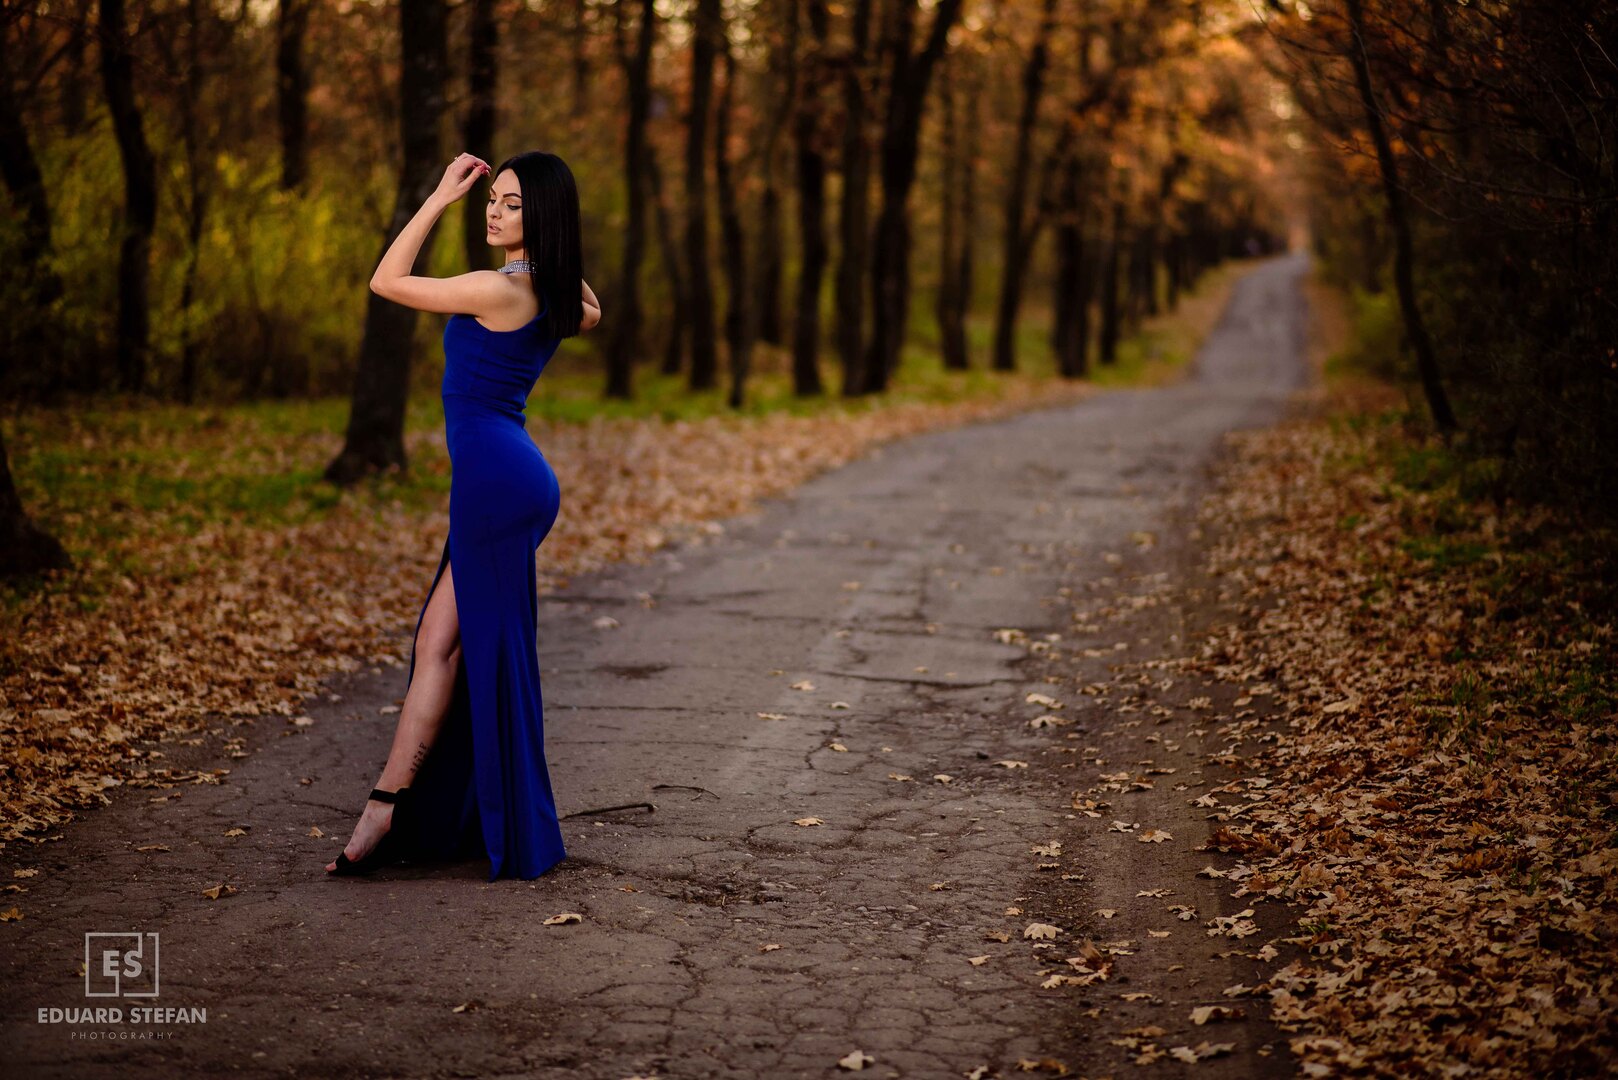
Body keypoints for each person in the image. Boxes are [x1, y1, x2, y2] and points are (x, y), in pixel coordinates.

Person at [326, 150, 600, 880]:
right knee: (440, 645)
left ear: (538, 216)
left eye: (511, 204)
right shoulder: (553, 291)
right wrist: (551, 242)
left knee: (449, 647)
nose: (493, 211)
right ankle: (394, 806)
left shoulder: (495, 289)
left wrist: (441, 195)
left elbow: (385, 280)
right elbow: (590, 307)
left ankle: (387, 808)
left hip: (493, 487)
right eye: (491, 200)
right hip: (511, 480)